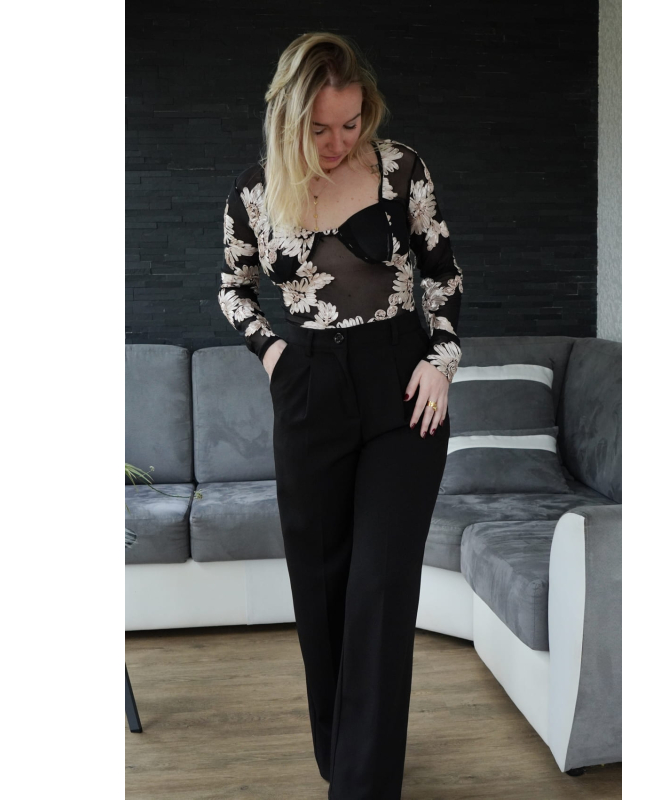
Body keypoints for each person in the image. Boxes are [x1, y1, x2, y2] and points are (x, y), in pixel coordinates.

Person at [219, 31, 463, 800]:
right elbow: (233, 287)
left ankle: (360, 786)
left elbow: (443, 273)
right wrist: (272, 354)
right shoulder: (256, 193)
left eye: (351, 123)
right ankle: (344, 757)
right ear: (289, 119)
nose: (337, 141)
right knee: (321, 591)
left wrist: (441, 358)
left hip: (402, 387)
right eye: (320, 127)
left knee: (380, 591)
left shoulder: (402, 169)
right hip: (309, 385)